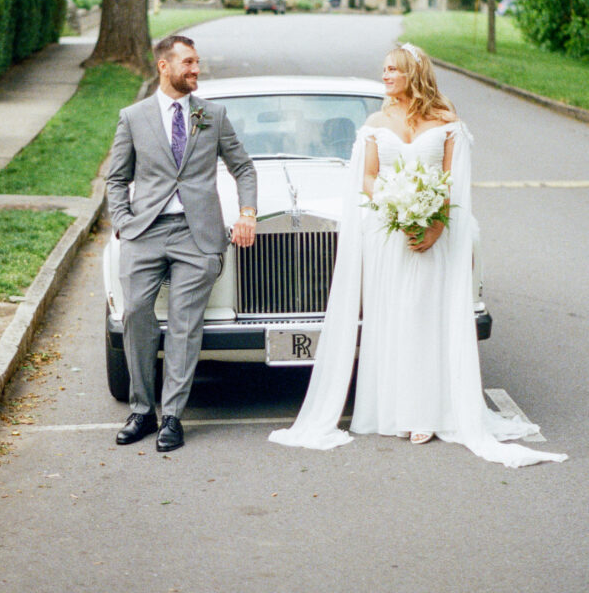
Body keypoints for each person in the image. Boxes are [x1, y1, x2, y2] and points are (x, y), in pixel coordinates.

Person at [270, 43, 567, 467]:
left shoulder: (446, 122)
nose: (385, 76)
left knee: (428, 316)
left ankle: (430, 411)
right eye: (384, 69)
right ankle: (396, 408)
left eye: (393, 69)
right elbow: (369, 177)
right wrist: (395, 204)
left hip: (433, 236)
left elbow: (451, 183)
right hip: (388, 236)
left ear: (414, 73)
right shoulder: (376, 121)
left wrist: (435, 225)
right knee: (394, 317)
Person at [107, 35, 257, 452]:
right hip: (145, 232)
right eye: (188, 63)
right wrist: (122, 221)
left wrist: (247, 213)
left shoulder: (212, 114)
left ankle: (172, 416)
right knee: (136, 314)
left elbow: (243, 167)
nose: (196, 70)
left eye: (197, 62)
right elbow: (117, 179)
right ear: (164, 66)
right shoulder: (133, 117)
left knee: (184, 324)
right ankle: (141, 411)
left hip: (198, 235)